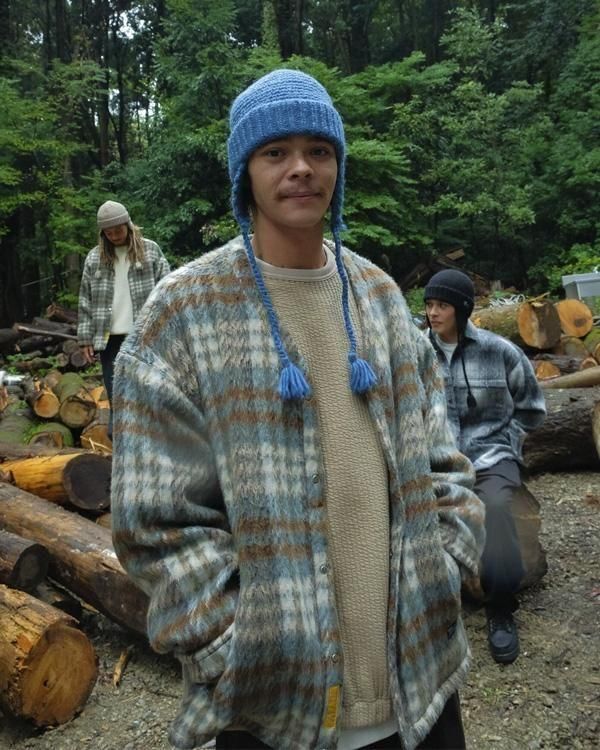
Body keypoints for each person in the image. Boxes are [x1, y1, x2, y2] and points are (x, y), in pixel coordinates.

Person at [111, 70, 485, 750]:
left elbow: (443, 456)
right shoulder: (184, 314)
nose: (302, 168)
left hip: (420, 687)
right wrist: (234, 645)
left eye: (319, 149)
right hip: (273, 709)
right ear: (244, 173)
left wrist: (447, 566)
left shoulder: (378, 296)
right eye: (275, 152)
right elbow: (153, 521)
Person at [423, 269, 546, 665]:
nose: (433, 313)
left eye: (442, 305)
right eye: (429, 305)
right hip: (436, 460)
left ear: (461, 309)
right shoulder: (415, 353)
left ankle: (501, 606)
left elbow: (532, 408)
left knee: (494, 505)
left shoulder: (500, 351)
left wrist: (507, 442)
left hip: (492, 455)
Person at [77, 200, 170, 433]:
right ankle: (120, 441)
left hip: (145, 336)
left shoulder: (150, 251)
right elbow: (85, 299)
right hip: (109, 340)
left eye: (118, 230)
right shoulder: (94, 258)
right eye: (109, 233)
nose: (115, 236)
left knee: (148, 392)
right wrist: (85, 338)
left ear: (128, 225)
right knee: (117, 394)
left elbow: (168, 290)